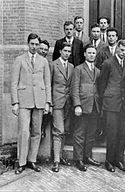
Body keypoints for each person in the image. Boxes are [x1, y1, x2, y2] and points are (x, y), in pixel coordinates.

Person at [11, 33, 51, 174]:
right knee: (23, 131)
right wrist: (15, 102)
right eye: (32, 44)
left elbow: (47, 83)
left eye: (36, 44)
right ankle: (21, 162)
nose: (34, 47)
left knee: (36, 132)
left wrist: (47, 102)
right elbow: (14, 82)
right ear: (28, 44)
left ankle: (31, 160)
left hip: (39, 100)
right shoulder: (19, 60)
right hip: (23, 100)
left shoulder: (43, 61)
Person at [99, 40, 125, 173]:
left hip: (123, 104)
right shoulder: (108, 63)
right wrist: (104, 100)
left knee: (122, 133)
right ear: (117, 49)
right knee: (111, 134)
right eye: (122, 50)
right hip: (111, 103)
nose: (124, 53)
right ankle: (109, 161)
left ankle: (119, 160)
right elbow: (102, 84)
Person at [71, 44, 101, 171]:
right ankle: (78, 159)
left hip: (95, 106)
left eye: (93, 53)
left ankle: (87, 156)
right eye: (89, 53)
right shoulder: (78, 69)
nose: (91, 55)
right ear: (84, 54)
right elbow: (74, 88)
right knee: (80, 133)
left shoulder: (98, 71)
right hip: (82, 105)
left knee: (91, 133)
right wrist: (77, 105)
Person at [50, 42, 74, 172]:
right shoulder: (53, 65)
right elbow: (49, 84)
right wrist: (49, 102)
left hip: (68, 103)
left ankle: (61, 156)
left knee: (64, 131)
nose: (67, 53)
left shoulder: (71, 66)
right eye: (65, 51)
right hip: (57, 102)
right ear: (60, 51)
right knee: (58, 130)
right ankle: (56, 161)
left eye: (69, 51)